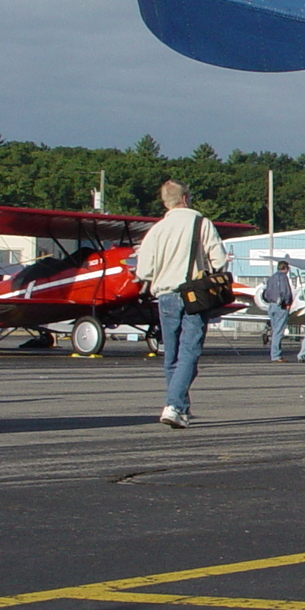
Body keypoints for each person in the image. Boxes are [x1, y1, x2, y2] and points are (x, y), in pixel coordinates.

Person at [132, 179, 229, 428]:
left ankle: (181, 410)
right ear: (185, 198)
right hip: (194, 295)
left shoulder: (156, 230)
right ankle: (174, 405)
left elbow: (143, 271)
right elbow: (219, 260)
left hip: (165, 295)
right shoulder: (200, 223)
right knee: (190, 353)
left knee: (172, 357)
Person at [260, 259, 294, 361]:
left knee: (275, 331)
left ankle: (274, 354)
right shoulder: (283, 278)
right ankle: (276, 355)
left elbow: (265, 293)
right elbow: (285, 291)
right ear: (286, 268)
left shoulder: (271, 278)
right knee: (278, 332)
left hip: (271, 305)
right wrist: (287, 302)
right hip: (281, 306)